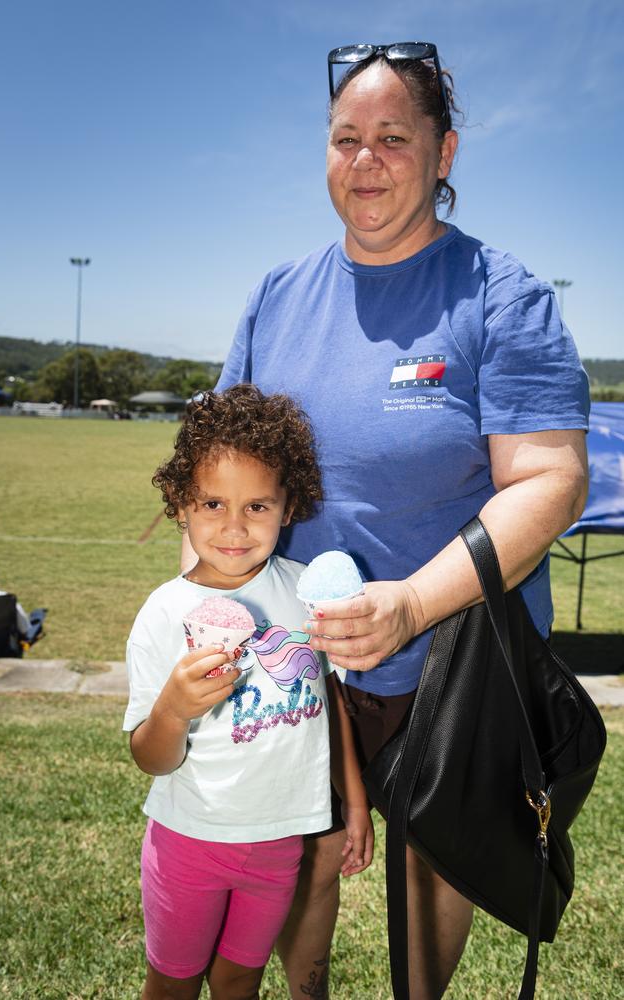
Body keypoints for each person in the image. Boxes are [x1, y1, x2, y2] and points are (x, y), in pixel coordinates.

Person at [184, 42, 590, 1000]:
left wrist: (410, 603)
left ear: (444, 154)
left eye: (393, 139)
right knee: (299, 860)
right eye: (345, 139)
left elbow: (550, 482)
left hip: (452, 661)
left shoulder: (502, 295)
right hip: (297, 658)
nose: (366, 161)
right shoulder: (276, 298)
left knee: (425, 863)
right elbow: (216, 473)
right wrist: (198, 613)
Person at [125, 385, 373, 1000]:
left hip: (279, 841)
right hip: (191, 840)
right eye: (213, 503)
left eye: (258, 506)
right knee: (174, 983)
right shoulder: (164, 613)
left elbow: (328, 704)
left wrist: (357, 802)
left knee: (241, 979)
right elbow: (148, 756)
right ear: (181, 505)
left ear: (289, 508)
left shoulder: (307, 594)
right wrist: (174, 709)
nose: (234, 528)